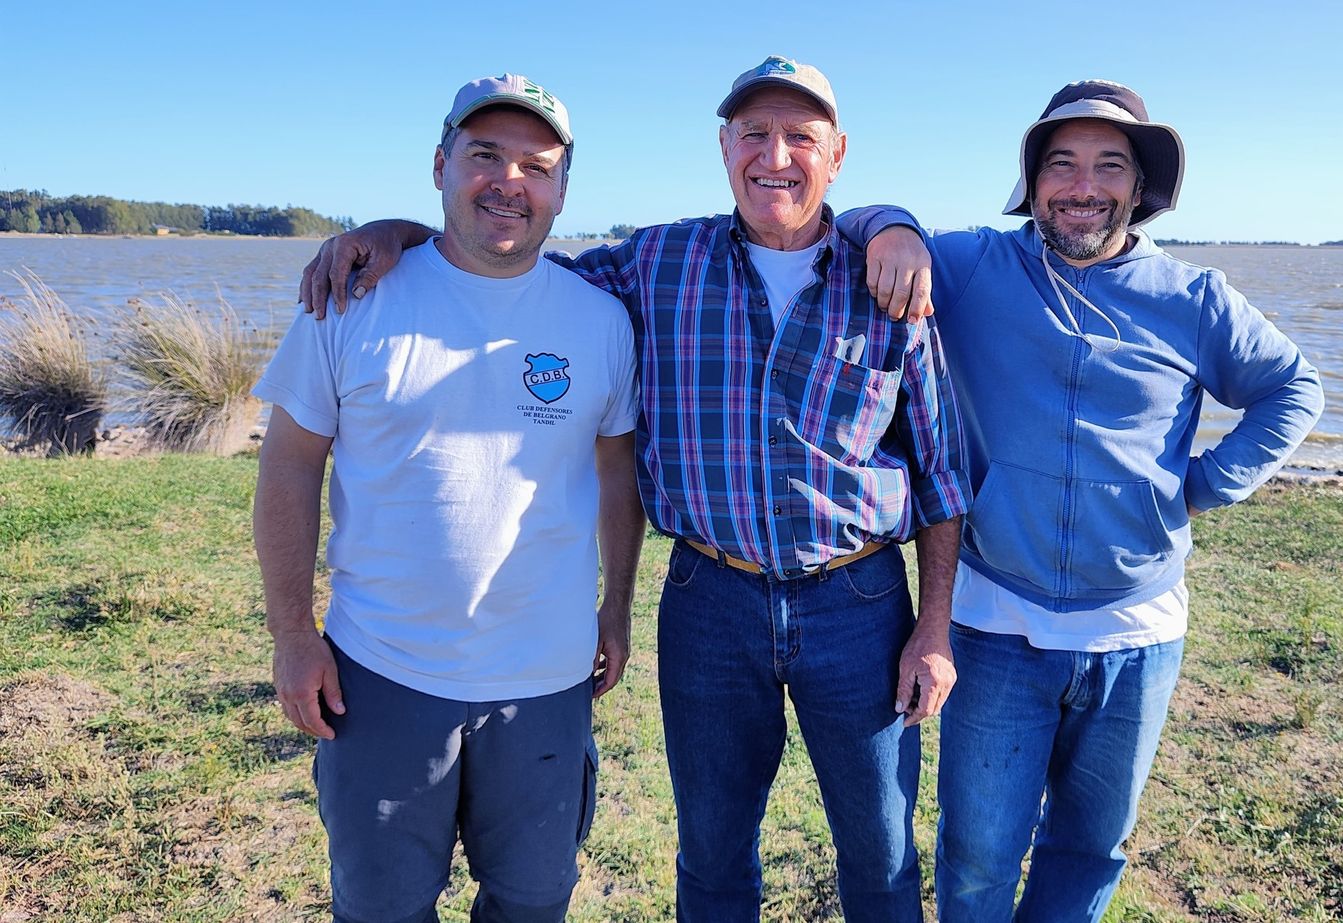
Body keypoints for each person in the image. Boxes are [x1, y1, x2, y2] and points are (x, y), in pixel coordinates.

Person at [299, 56, 969, 923]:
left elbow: (942, 475)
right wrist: (400, 233)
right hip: (709, 598)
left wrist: (935, 626)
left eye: (801, 137)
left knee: (879, 849)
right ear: (723, 147)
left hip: (859, 599)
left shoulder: (891, 280)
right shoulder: (655, 264)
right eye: (754, 134)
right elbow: (510, 247)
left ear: (836, 155)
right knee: (714, 851)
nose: (776, 155)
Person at [839, 79, 1325, 921]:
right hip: (996, 624)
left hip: (1137, 634)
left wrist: (1202, 487)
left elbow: (1293, 386)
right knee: (979, 855)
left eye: (1109, 164)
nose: (1082, 184)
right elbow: (855, 222)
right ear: (1032, 182)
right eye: (1060, 162)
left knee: (1089, 850)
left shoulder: (1194, 297)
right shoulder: (976, 266)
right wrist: (891, 226)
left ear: (1141, 188)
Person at [253, 73, 644, 923]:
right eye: (485, 156)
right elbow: (288, 466)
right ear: (439, 164)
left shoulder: (601, 320)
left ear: (563, 189)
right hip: (382, 670)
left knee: (533, 902)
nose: (511, 182)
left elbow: (618, 471)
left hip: (545, 681)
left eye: (538, 166)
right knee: (383, 906)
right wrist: (291, 634)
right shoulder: (351, 297)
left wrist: (616, 607)